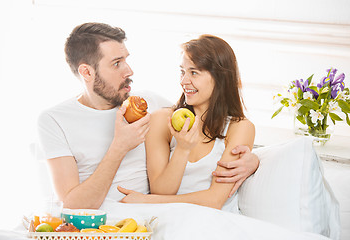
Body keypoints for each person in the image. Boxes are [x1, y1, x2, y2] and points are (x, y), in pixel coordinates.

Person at [36, 22, 259, 210]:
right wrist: (119, 147)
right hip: (102, 218)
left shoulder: (149, 104)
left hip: (147, 215)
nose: (129, 71)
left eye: (126, 59)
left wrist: (254, 160)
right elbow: (71, 205)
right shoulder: (54, 120)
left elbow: (211, 125)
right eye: (116, 63)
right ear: (86, 72)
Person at [118, 35, 255, 213]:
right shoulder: (162, 119)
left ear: (220, 78)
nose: (184, 81)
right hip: (168, 218)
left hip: (214, 222)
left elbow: (214, 200)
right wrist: (182, 149)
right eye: (182, 72)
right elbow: (161, 190)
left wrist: (147, 201)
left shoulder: (240, 127)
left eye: (194, 72)